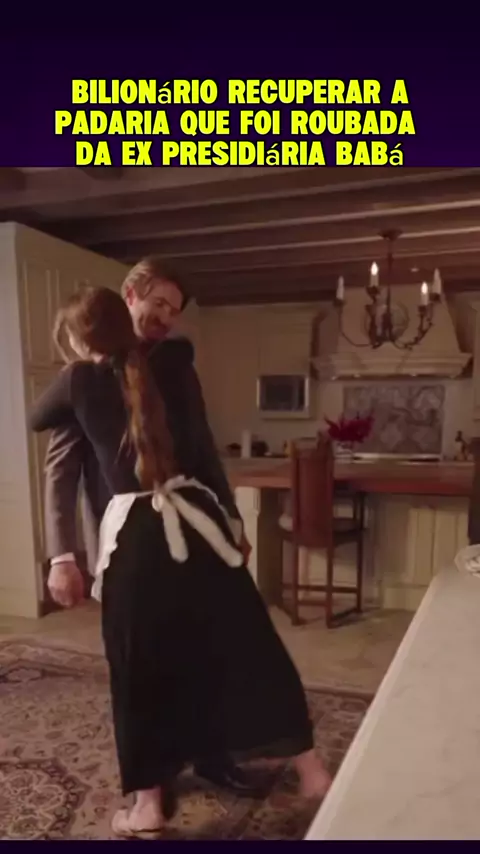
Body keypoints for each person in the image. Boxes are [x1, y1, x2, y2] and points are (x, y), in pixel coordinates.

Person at [30, 286, 331, 840]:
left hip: (139, 535)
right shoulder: (170, 362)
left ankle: (148, 807)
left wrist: (79, 363)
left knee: (138, 668)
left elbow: (36, 416)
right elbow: (201, 445)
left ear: (76, 337)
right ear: (129, 312)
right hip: (201, 519)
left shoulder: (78, 381)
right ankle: (313, 772)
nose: (166, 318)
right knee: (251, 645)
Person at [43, 257, 255, 798]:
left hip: (193, 533)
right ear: (130, 295)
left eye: (174, 310)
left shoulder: (176, 365)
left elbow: (203, 449)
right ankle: (151, 783)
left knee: (205, 652)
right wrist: (62, 556)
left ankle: (213, 757)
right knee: (140, 665)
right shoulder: (84, 374)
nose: (165, 317)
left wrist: (231, 518)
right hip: (126, 547)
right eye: (158, 303)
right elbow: (60, 470)